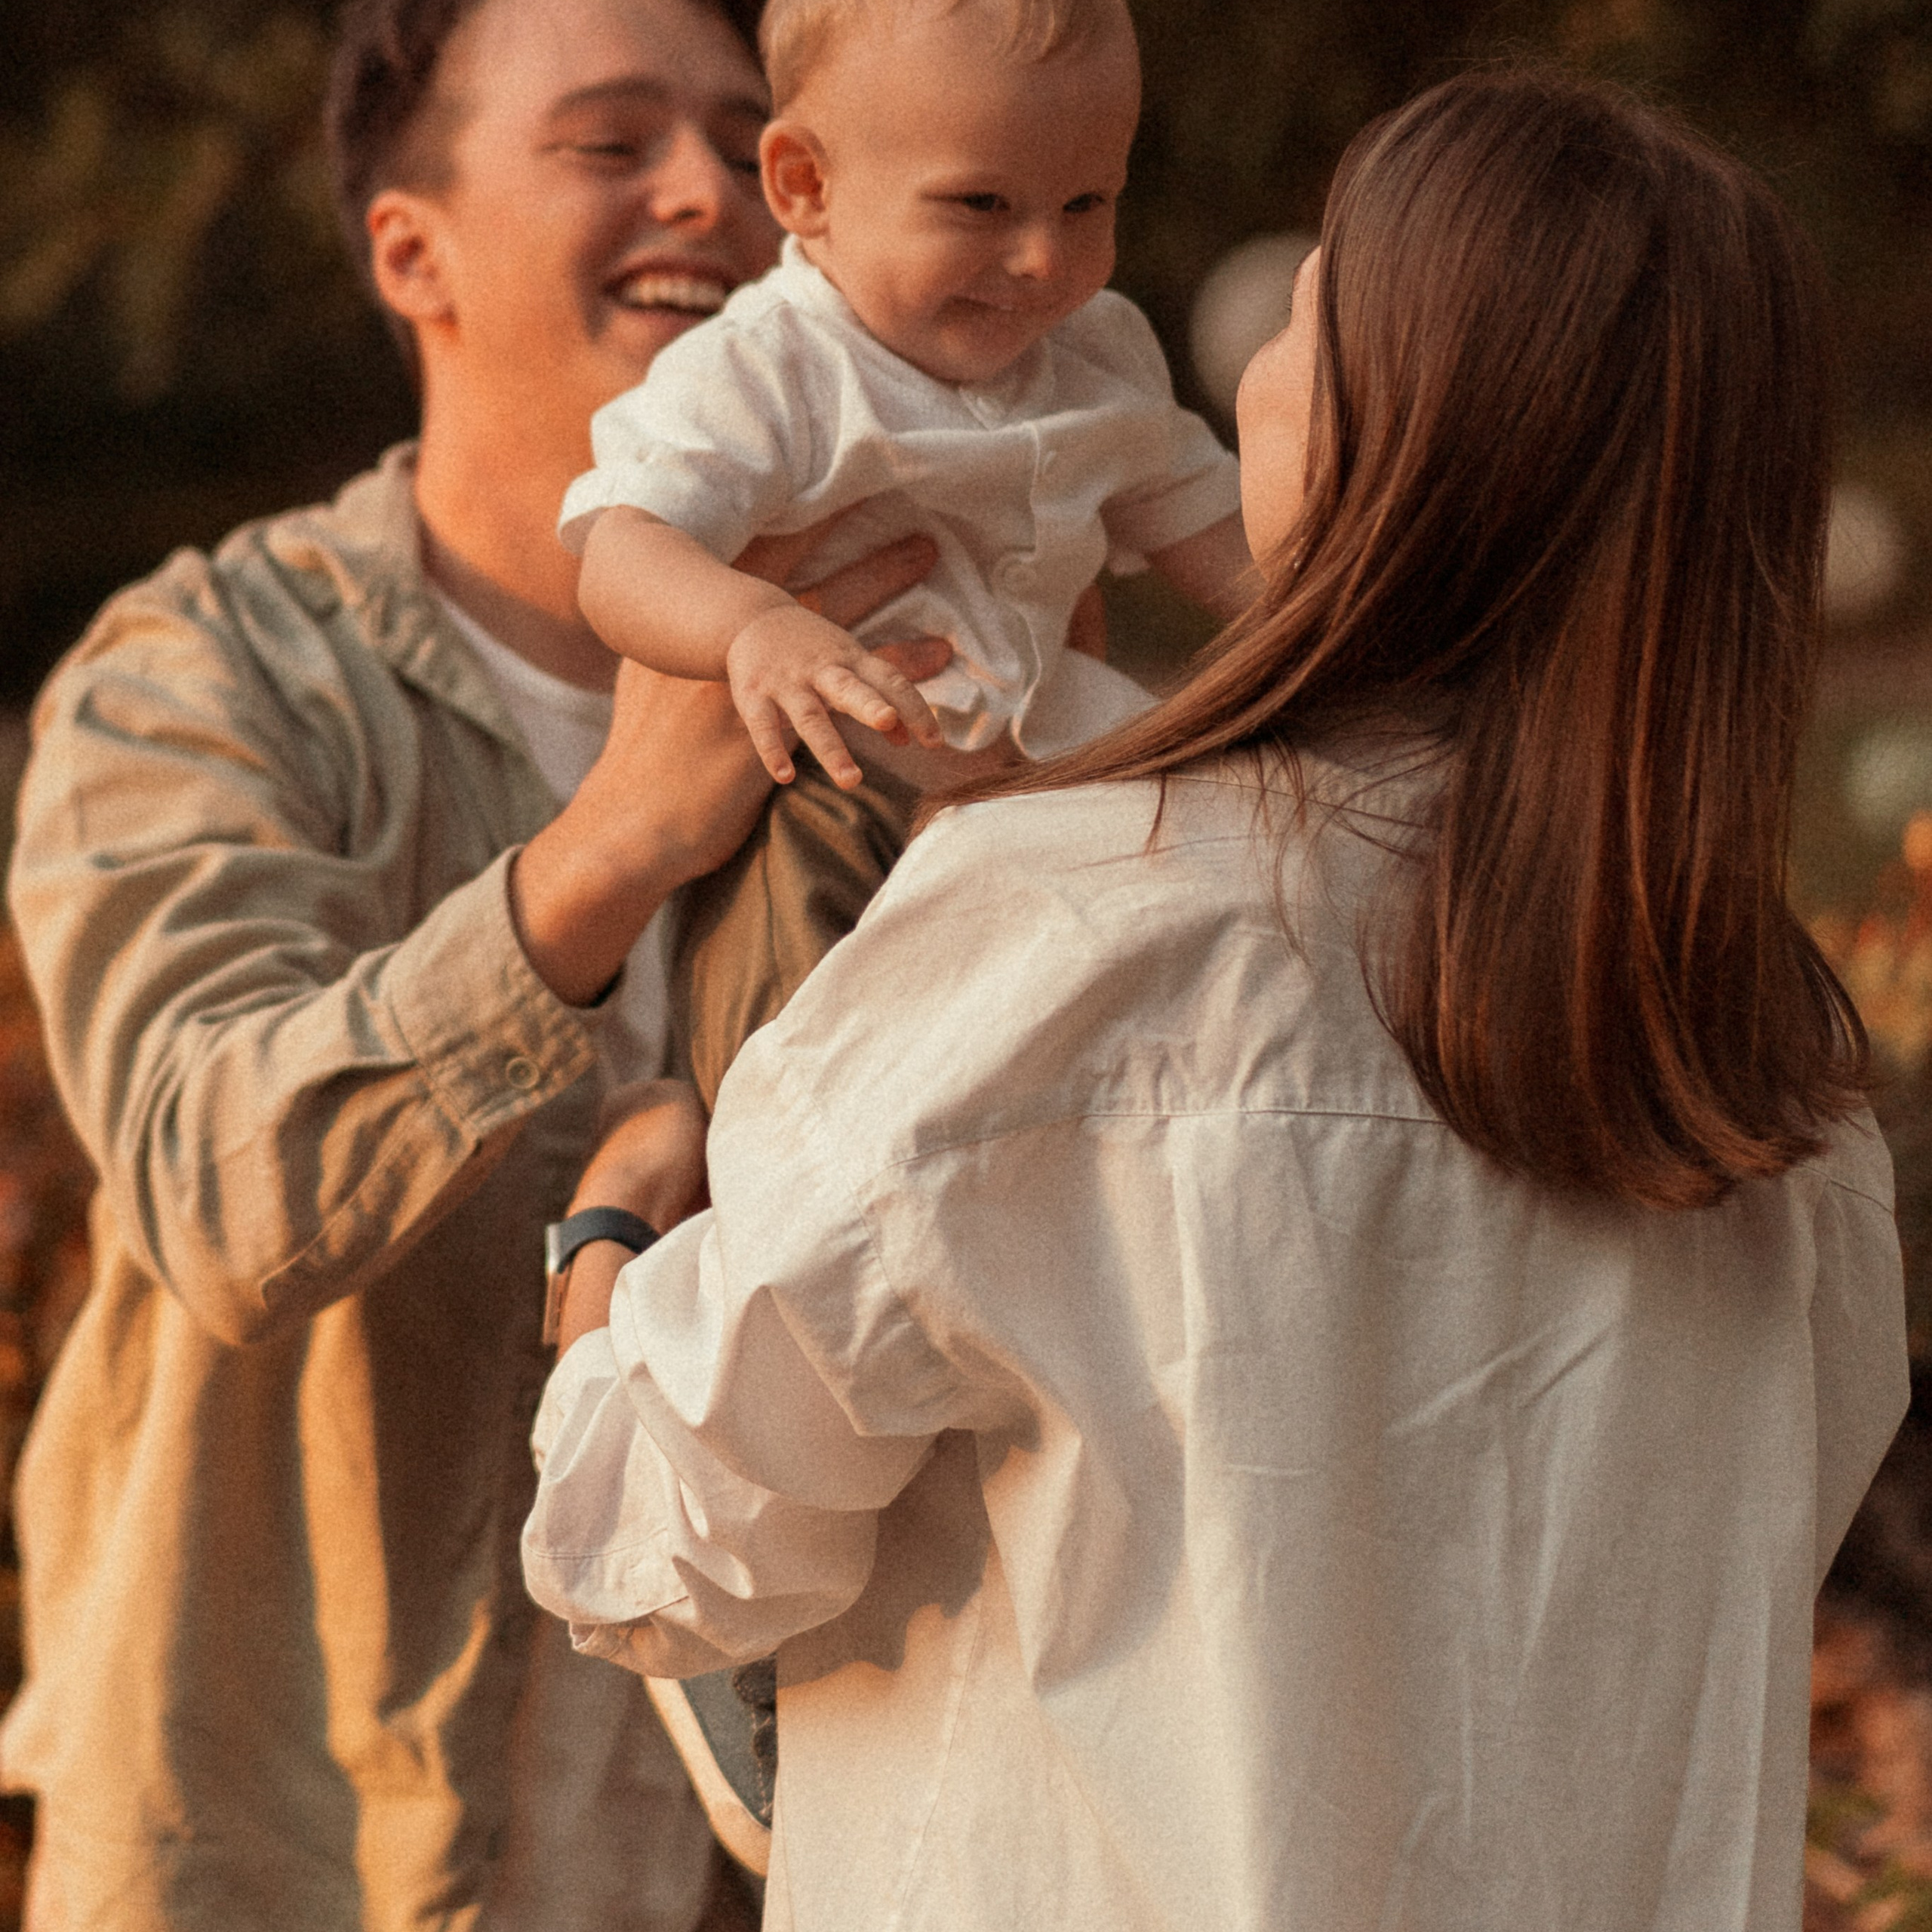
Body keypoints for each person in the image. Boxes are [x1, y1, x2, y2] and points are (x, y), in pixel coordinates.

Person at [522, 67, 1911, 1932]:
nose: (1242, 359)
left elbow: (652, 1544)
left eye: (1307, 308)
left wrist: (608, 1244)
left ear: (1381, 438)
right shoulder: (1776, 1070)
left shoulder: (1072, 930)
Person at [0, 0, 947, 1925]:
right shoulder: (205, 672)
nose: (708, 193)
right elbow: (208, 1180)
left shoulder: (898, 690)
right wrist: (613, 843)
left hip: (744, 1867)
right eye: (611, 143)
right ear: (409, 251)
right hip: (272, 1869)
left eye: (744, 144)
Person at [566, 0, 1249, 1103]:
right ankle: (742, 1163)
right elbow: (620, 548)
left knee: (1198, 923)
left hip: (1050, 780)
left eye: (1087, 202)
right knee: (803, 1059)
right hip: (835, 789)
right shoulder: (768, 367)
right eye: (982, 204)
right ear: (806, 187)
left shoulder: (1098, 354)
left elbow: (1226, 541)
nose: (1042, 257)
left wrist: (1359, 619)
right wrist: (753, 627)